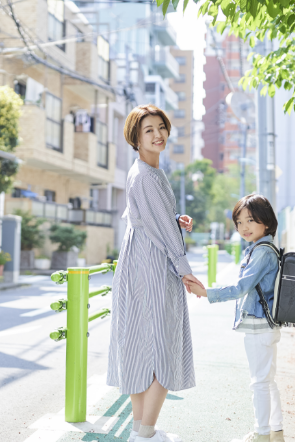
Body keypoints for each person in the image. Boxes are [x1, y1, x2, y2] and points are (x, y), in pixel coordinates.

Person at [108, 104, 205, 442]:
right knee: (164, 349)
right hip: (152, 265)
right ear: (135, 137)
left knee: (139, 348)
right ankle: (144, 433)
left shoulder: (146, 172)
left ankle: (140, 430)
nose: (158, 134)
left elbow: (144, 217)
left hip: (139, 261)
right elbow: (155, 226)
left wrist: (175, 220)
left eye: (161, 127)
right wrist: (185, 271)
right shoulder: (146, 175)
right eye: (148, 130)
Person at [185, 194, 284, 442]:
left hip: (259, 325)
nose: (244, 227)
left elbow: (241, 288)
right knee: (267, 381)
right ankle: (276, 431)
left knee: (259, 383)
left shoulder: (262, 252)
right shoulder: (265, 248)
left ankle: (262, 434)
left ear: (267, 222)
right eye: (239, 222)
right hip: (266, 324)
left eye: (250, 220)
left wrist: (207, 293)